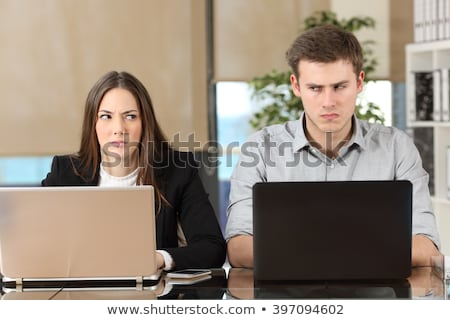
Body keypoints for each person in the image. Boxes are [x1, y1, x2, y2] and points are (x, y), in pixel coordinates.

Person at [225, 24, 441, 268]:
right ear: (296, 86)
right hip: (288, 301)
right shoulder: (260, 149)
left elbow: (426, 247)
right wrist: (360, 251)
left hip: (377, 298)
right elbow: (239, 249)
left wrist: (307, 252)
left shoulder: (396, 147)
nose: (328, 102)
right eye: (315, 88)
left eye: (339, 86)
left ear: (359, 82)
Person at [42, 70, 226, 271]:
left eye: (130, 116)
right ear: (93, 124)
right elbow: (30, 238)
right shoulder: (65, 172)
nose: (119, 128)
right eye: (106, 116)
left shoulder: (177, 170)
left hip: (150, 295)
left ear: (145, 122)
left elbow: (212, 248)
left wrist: (156, 259)